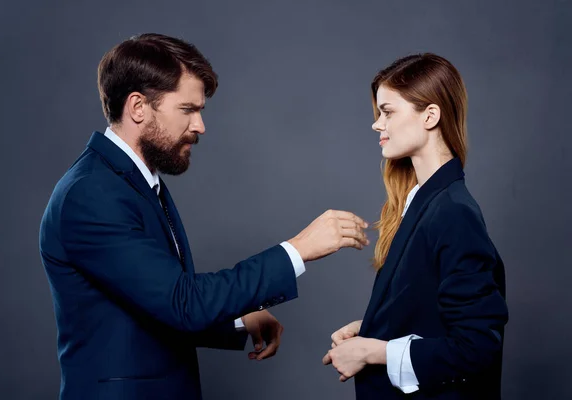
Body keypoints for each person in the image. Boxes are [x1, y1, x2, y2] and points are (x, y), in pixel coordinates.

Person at [39, 33, 369, 400]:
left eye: (201, 111)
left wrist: (239, 321)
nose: (200, 126)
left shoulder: (135, 183)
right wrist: (298, 249)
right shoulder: (92, 194)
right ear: (138, 107)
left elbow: (155, 305)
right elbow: (184, 303)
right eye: (187, 110)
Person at [322, 53, 508, 399]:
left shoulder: (453, 212)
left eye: (388, 112)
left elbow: (476, 347)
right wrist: (373, 329)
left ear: (430, 115)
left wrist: (371, 351)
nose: (377, 124)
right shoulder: (422, 202)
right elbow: (434, 315)